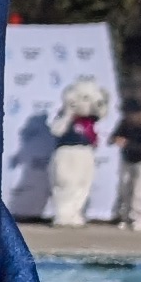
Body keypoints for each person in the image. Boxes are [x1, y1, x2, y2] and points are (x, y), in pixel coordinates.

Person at [48, 79, 109, 227]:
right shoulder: (63, 115)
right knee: (65, 183)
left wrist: (99, 102)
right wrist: (69, 112)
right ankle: (63, 215)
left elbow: (101, 111)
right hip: (67, 150)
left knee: (83, 184)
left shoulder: (90, 119)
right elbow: (57, 130)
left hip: (85, 151)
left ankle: (75, 214)